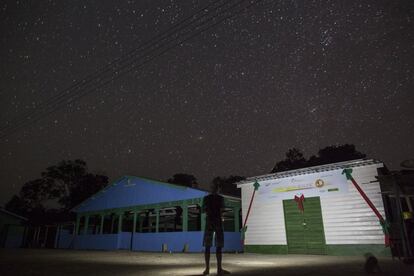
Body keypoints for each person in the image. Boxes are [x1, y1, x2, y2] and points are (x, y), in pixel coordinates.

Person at [202, 182, 230, 275]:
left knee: (207, 246)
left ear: (211, 189)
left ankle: (207, 269)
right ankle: (219, 269)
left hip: (209, 222)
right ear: (218, 189)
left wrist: (208, 212)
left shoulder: (206, 198)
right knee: (219, 246)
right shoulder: (220, 198)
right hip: (217, 222)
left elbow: (203, 210)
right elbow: (222, 210)